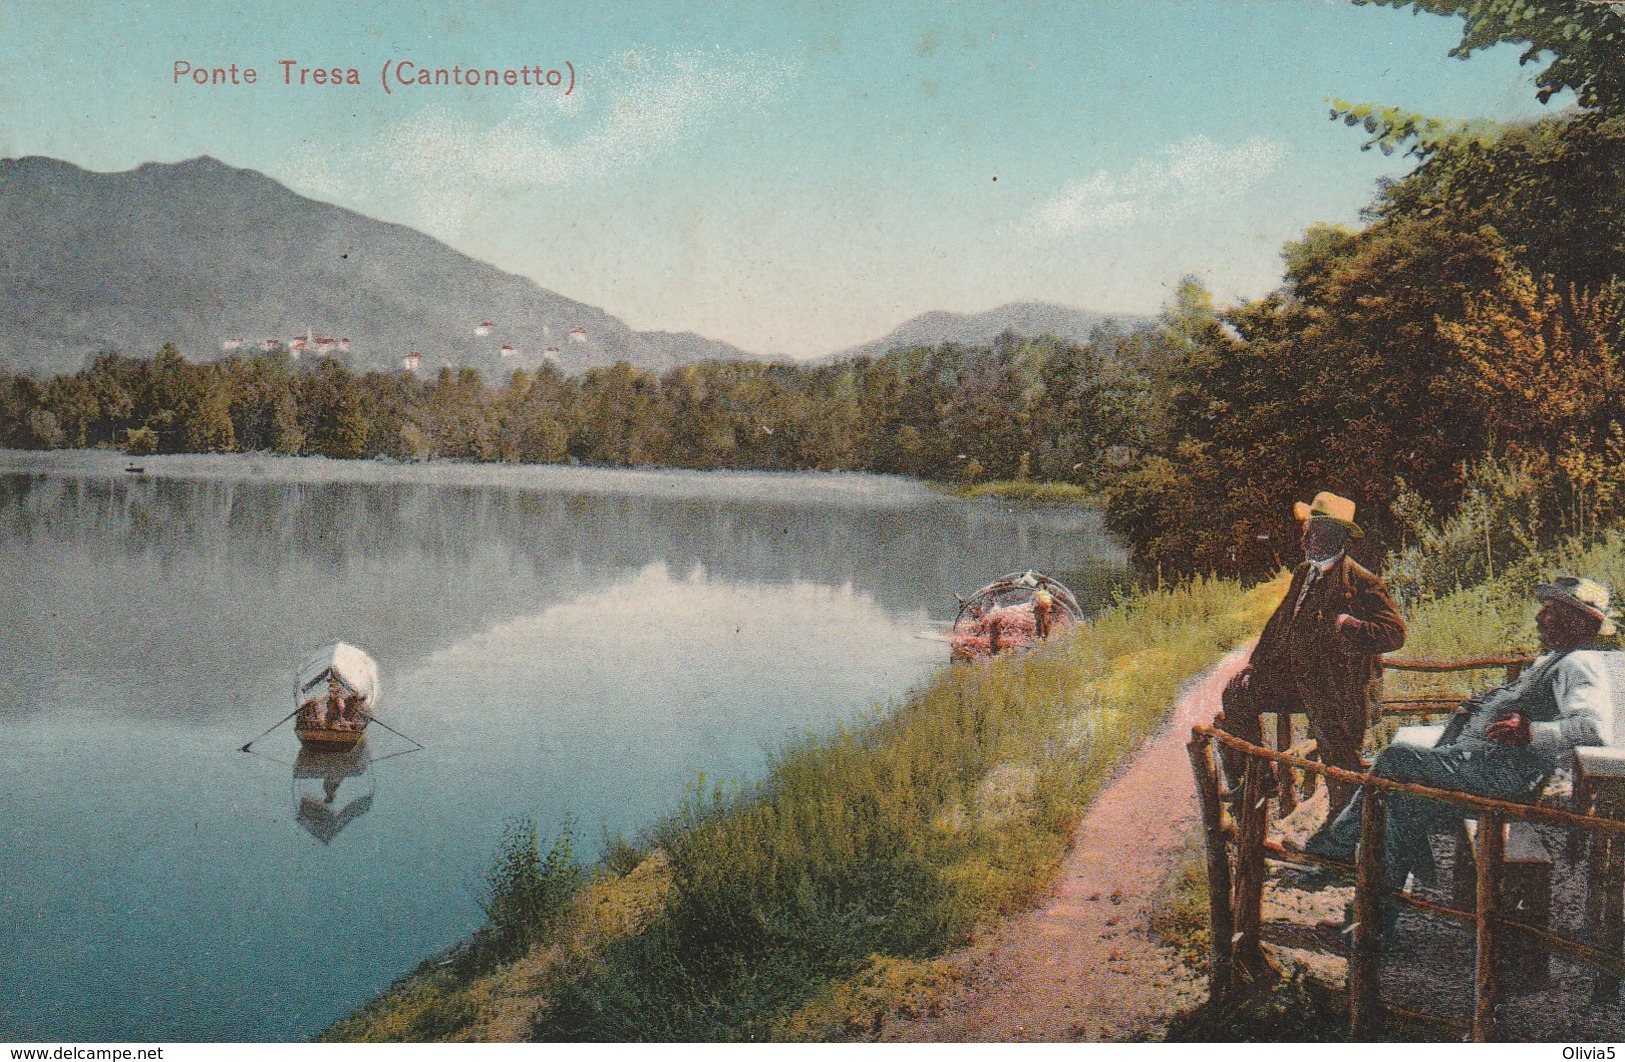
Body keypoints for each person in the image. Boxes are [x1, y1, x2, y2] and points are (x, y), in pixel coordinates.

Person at [1305, 577, 1619, 931]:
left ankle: (1337, 846)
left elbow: (1595, 729)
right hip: (1488, 767)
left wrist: (1531, 732)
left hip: (1503, 774)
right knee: (1402, 807)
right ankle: (1367, 928)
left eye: (1551, 610)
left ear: (1579, 621)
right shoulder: (1556, 659)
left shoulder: (1577, 665)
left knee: (1396, 758)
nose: (1539, 617)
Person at [1216, 491, 1407, 817]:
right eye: (1305, 533)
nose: (1303, 541)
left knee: (1341, 772)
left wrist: (1352, 626)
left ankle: (1342, 845)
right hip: (1298, 684)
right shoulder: (1305, 573)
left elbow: (1395, 633)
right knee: (1236, 694)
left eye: (1311, 534)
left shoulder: (1362, 581)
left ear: (1334, 536)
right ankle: (1261, 778)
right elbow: (1278, 625)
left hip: (1336, 693)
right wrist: (1254, 666)